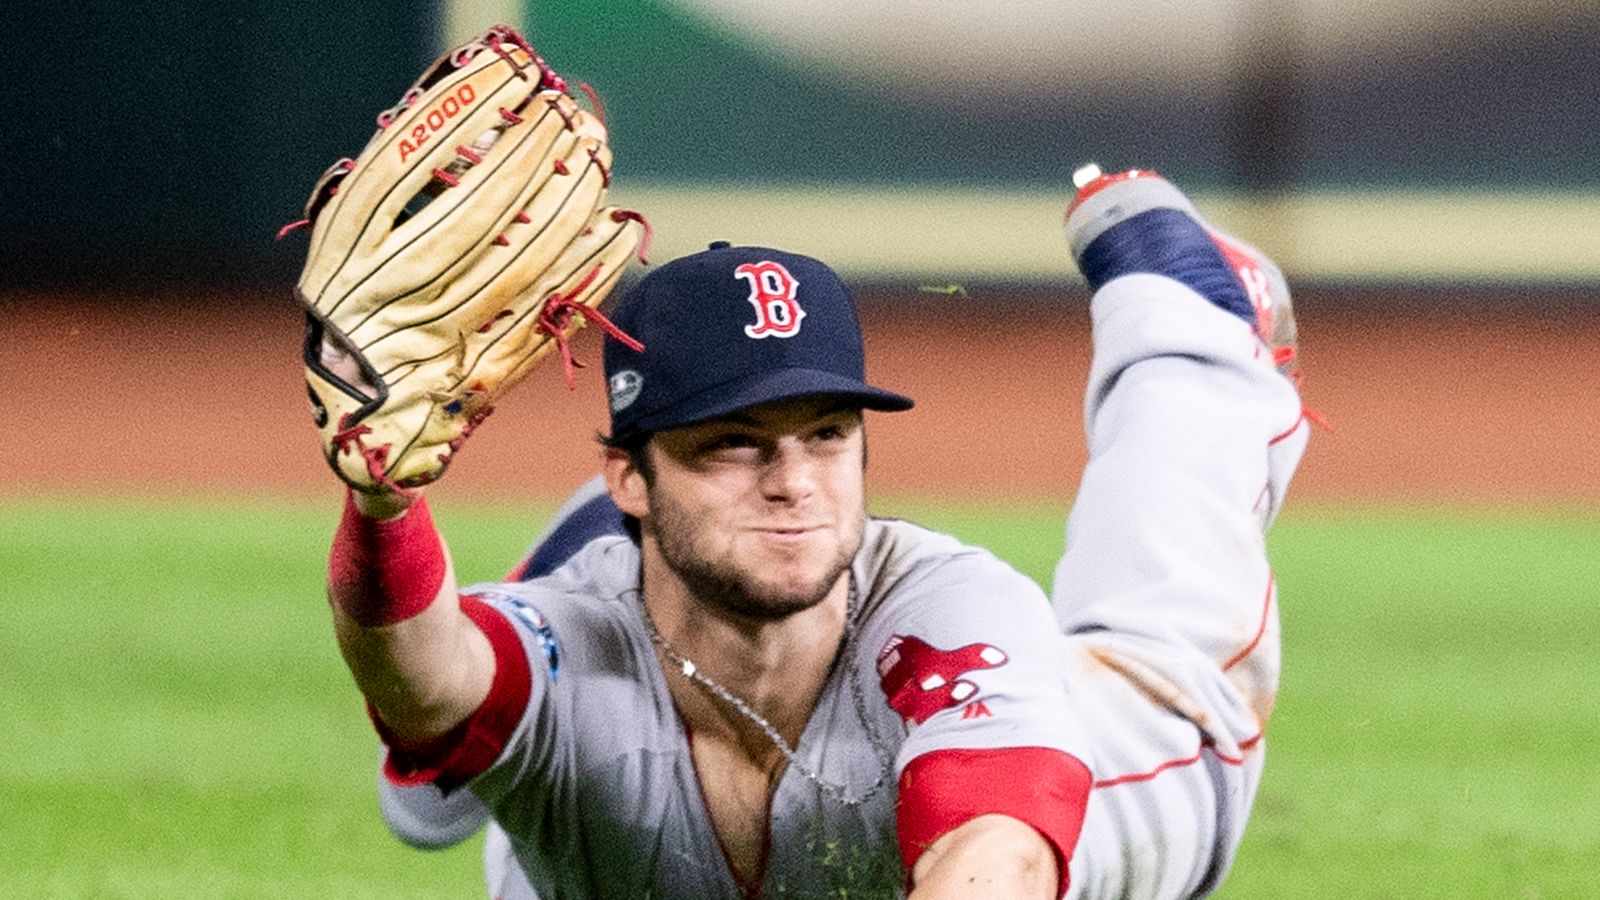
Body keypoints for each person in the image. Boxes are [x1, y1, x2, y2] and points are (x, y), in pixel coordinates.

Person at [338, 166, 1311, 899]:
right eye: (733, 443)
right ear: (628, 476)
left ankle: (1189, 329)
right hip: (614, 779)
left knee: (1170, 630)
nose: (794, 482)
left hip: (1103, 788)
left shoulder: (948, 607)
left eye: (826, 434)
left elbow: (995, 859)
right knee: (494, 802)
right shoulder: (568, 640)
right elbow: (422, 677)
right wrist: (383, 508)